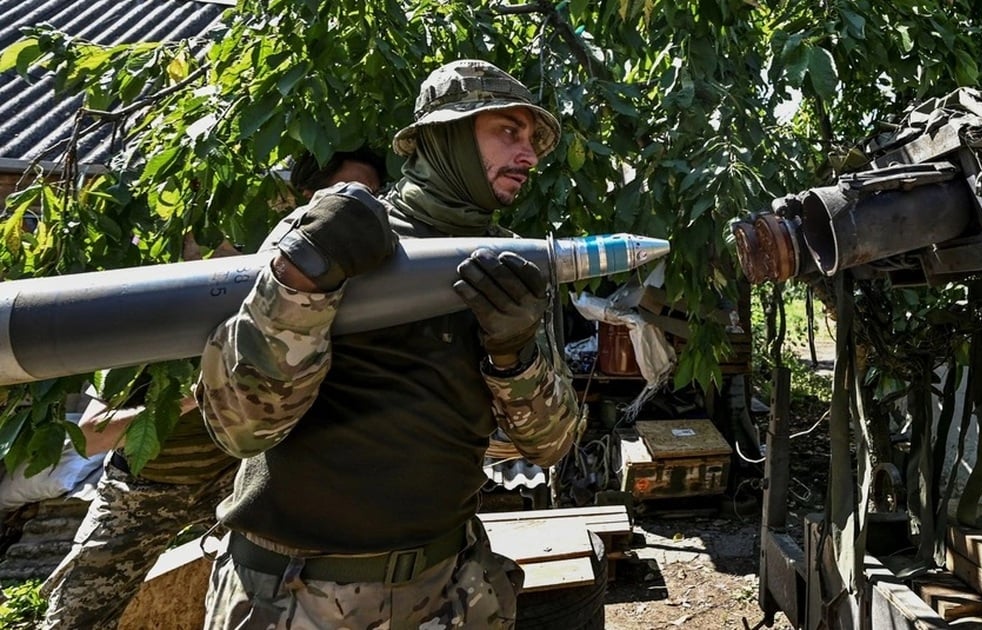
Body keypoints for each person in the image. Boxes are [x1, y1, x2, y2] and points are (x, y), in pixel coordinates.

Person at [197, 59, 584, 629]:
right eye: (508, 131)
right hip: (297, 596)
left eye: (532, 140)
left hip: (448, 591)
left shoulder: (507, 267)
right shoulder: (333, 235)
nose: (528, 156)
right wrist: (304, 282)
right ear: (442, 137)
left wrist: (516, 354)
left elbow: (550, 445)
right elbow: (240, 426)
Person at [38, 151, 389, 630]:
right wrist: (193, 397)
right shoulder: (151, 323)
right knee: (77, 614)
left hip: (234, 481)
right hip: (145, 490)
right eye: (205, 247)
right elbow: (94, 435)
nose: (221, 259)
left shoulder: (286, 304)